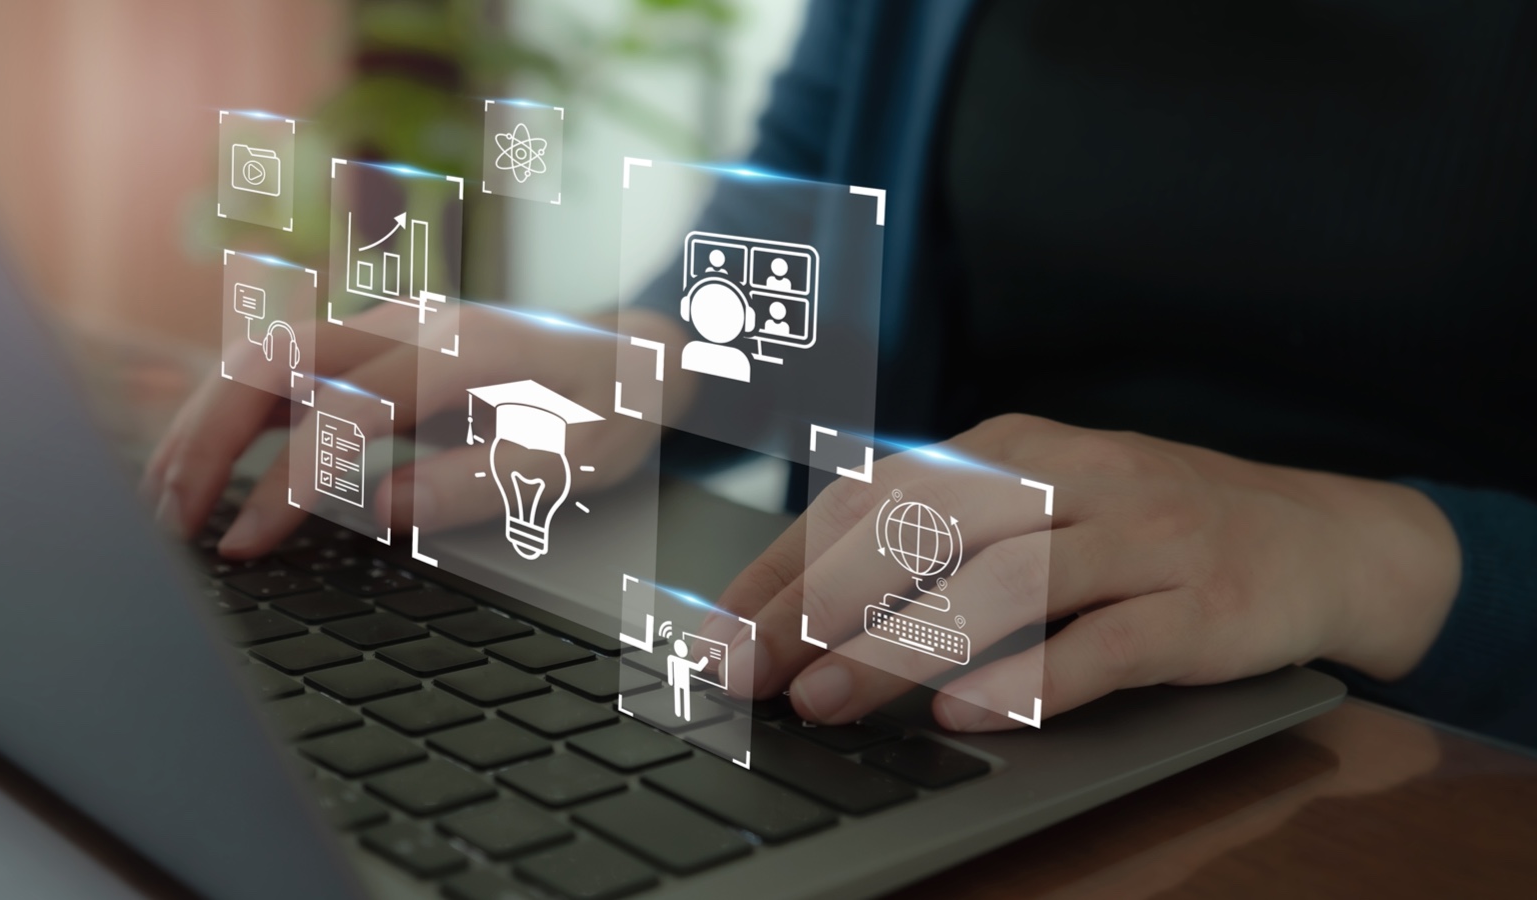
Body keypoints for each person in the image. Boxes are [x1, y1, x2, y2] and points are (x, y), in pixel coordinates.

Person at [149, 0, 1537, 747]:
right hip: (904, 712)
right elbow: (821, 188)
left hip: (1399, 776)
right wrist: (656, 352)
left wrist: (1366, 553)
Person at [666, 639, 710, 722]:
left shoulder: (676, 659)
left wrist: (704, 661)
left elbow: (698, 667)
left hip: (684, 683)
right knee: (680, 697)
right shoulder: (673, 658)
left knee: (684, 697)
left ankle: (682, 715)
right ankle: (680, 714)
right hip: (679, 683)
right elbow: (698, 667)